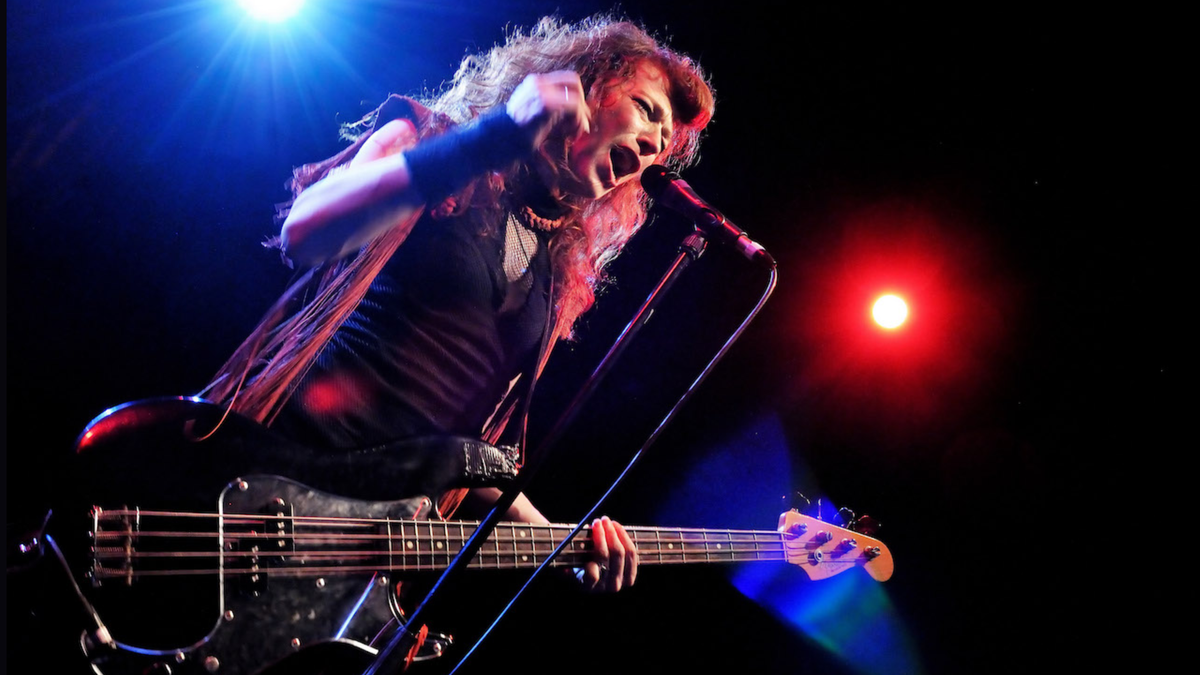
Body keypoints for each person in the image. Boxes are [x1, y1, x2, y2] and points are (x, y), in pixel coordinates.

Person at [204, 15, 714, 595]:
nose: (653, 145)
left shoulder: (556, 271)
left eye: (663, 142)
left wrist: (560, 542)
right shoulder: (431, 142)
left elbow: (461, 449)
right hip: (268, 477)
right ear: (581, 86)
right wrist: (494, 138)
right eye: (646, 109)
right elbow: (306, 231)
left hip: (358, 554)